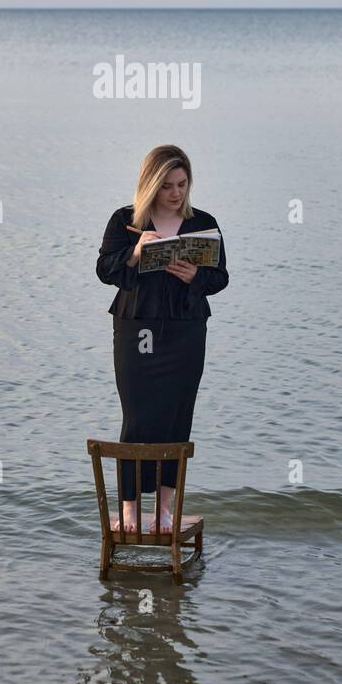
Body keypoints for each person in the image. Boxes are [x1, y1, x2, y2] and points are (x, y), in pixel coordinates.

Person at [96, 144, 228, 533]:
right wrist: (136, 252)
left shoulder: (203, 221)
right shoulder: (125, 221)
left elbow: (221, 277)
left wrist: (196, 278)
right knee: (138, 419)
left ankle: (166, 511)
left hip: (185, 330)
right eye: (168, 185)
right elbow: (105, 270)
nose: (176, 193)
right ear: (151, 184)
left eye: (182, 184)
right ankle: (131, 512)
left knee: (176, 418)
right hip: (137, 328)